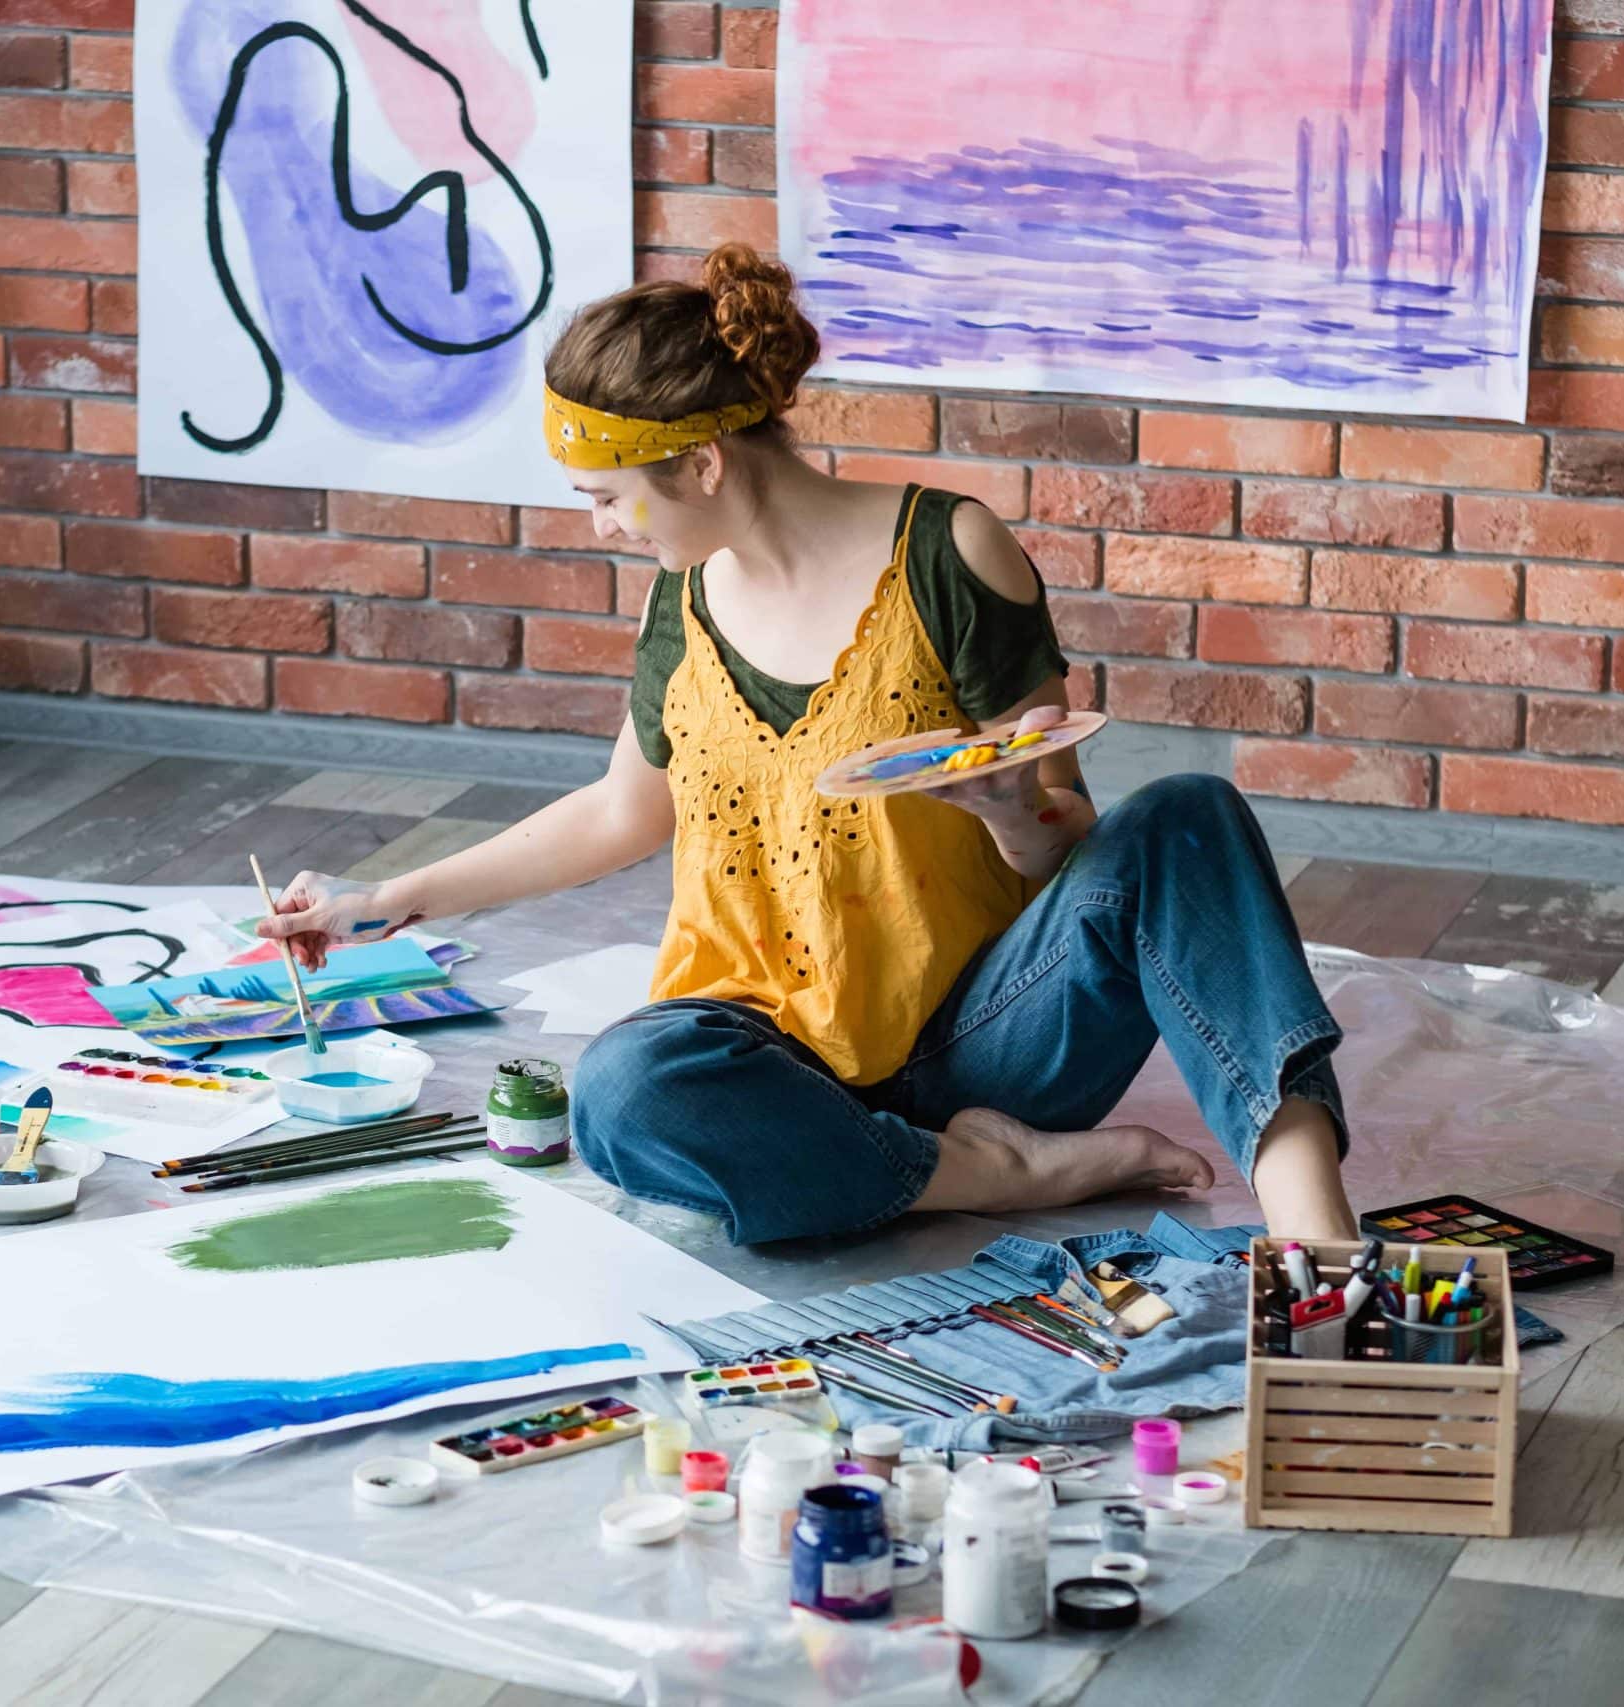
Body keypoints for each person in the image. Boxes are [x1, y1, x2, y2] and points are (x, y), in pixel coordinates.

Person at [261, 244, 1357, 1247]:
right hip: (765, 1059)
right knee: (625, 1091)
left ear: (698, 465)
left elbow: (1060, 845)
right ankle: (981, 1175)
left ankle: (1316, 1241)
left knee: (1187, 819)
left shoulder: (951, 552)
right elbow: (619, 813)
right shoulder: (679, 607)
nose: (598, 526)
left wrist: (1012, 811)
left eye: (605, 498)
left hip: (986, 1037)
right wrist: (390, 897)